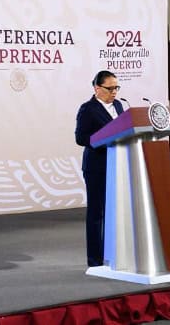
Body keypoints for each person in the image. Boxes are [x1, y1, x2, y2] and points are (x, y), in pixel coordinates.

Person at [75, 70, 123, 267]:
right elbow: (80, 138)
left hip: (118, 164)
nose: (114, 92)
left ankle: (115, 255)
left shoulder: (119, 105)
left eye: (116, 88)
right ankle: (95, 260)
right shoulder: (88, 109)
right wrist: (104, 140)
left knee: (116, 211)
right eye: (110, 88)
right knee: (97, 213)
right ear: (97, 88)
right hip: (97, 166)